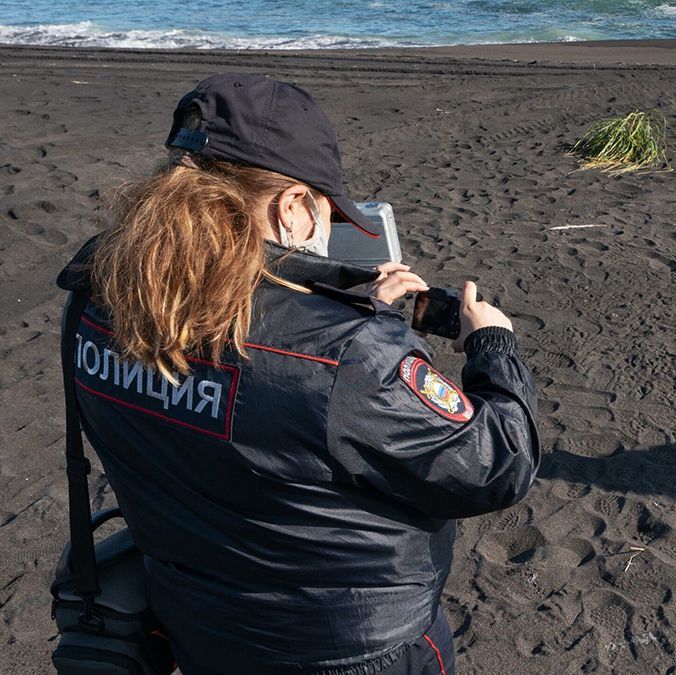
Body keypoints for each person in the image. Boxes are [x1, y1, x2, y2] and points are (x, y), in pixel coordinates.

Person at [55, 73, 540, 674]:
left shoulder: (97, 298)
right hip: (350, 648)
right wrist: (493, 345)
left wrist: (357, 317)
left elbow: (240, 371)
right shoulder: (349, 355)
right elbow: (496, 465)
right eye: (325, 211)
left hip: (201, 628)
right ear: (291, 206)